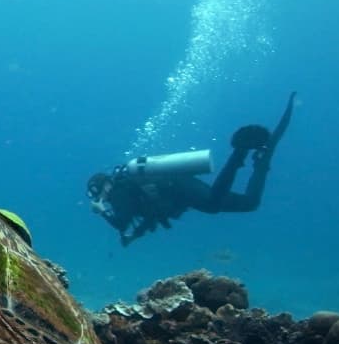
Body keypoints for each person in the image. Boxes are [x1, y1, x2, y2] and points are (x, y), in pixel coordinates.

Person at [88, 92, 296, 247]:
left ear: (103, 186)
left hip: (181, 188)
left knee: (213, 204)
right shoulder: (126, 190)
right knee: (250, 203)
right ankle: (261, 163)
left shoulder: (119, 192)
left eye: (98, 194)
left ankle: (239, 152)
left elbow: (121, 223)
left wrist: (101, 211)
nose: (101, 198)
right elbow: (150, 215)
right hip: (182, 187)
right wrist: (134, 237)